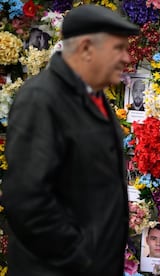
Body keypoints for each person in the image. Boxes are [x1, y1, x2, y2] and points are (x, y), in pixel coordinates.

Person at [2, 5, 138, 275]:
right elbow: (27, 200)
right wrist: (80, 257)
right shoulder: (41, 99)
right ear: (86, 48)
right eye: (118, 48)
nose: (126, 58)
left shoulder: (94, 97)